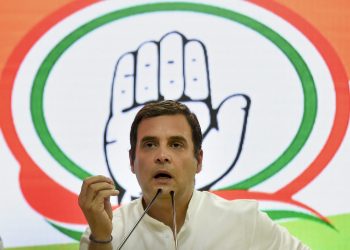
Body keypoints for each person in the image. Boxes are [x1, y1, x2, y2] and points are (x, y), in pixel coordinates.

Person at [79, 100, 310, 250]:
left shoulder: (244, 221)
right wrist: (101, 239)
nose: (162, 155)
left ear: (198, 161)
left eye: (176, 145)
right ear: (132, 161)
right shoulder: (105, 232)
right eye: (149, 145)